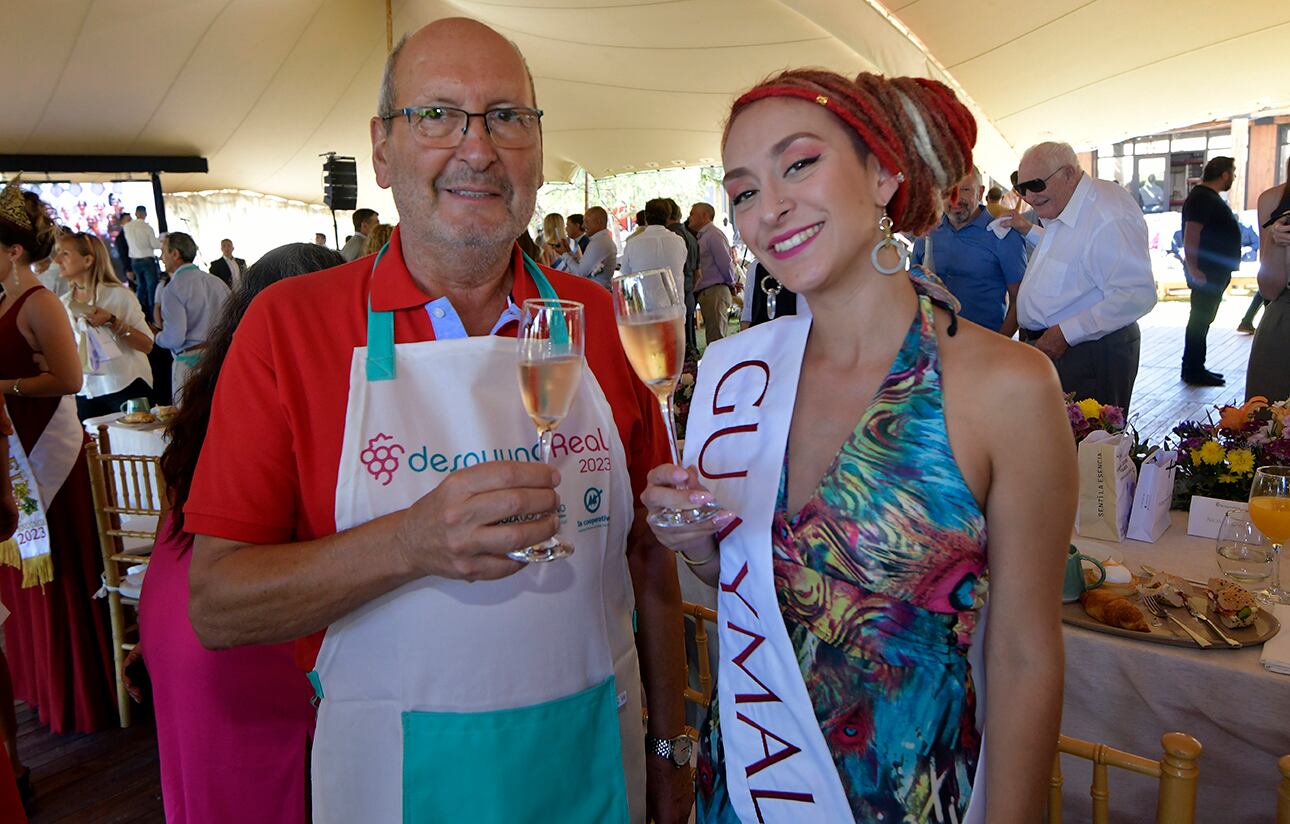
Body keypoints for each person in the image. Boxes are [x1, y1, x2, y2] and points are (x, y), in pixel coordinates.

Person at [182, 19, 689, 824]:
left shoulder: (599, 315)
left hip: (599, 764)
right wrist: (410, 544)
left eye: (506, 117)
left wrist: (673, 748)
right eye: (437, 115)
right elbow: (215, 604)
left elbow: (650, 562)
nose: (477, 148)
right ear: (381, 150)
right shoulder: (290, 324)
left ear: (536, 148)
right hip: (395, 780)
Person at [646, 69, 1072, 823]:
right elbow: (750, 588)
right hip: (743, 785)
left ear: (884, 173)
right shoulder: (736, 376)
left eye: (799, 163)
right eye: (743, 191)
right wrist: (697, 545)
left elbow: (1025, 655)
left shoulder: (1006, 386)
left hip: (905, 794)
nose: (769, 207)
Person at [135, 243, 343, 824]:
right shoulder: (305, 386)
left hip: (178, 620)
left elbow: (172, 529)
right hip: (246, 631)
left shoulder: (213, 388)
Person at [0, 187, 115, 740]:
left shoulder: (39, 302)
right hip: (13, 448)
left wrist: (5, 385)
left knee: (59, 568)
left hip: (48, 449)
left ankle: (78, 691)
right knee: (22, 573)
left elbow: (68, 380)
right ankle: (41, 683)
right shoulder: (2, 300)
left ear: (14, 250)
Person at [1002, 142, 1156, 411]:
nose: (1028, 196)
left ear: (1069, 174)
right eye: (1020, 186)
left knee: (1086, 449)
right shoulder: (1067, 204)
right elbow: (1072, 254)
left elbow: (1137, 294)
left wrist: (1064, 334)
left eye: (1036, 185)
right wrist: (1027, 229)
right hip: (1058, 349)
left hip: (1087, 353)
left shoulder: (1108, 213)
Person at [913, 168, 1027, 336]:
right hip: (932, 343)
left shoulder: (1003, 234)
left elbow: (1020, 299)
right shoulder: (927, 232)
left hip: (982, 345)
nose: (955, 199)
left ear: (980, 192)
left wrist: (1000, 344)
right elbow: (912, 286)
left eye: (965, 190)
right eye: (948, 192)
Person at [53, 232, 155, 419]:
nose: (57, 260)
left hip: (126, 385)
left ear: (87, 260)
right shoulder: (63, 303)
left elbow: (147, 345)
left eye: (65, 254)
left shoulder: (119, 296)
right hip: (86, 390)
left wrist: (112, 321)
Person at [1179, 156, 1240, 386]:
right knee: (1199, 320)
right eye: (1232, 172)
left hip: (1211, 271)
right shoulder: (1203, 198)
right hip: (1206, 272)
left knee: (1202, 320)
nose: (1233, 177)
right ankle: (1193, 369)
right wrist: (1194, 268)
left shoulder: (1206, 197)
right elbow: (1192, 234)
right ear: (1224, 174)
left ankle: (1196, 366)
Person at [155, 233, 231, 405]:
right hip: (219, 358)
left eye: (163, 251)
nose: (161, 257)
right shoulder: (217, 283)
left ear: (175, 254)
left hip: (190, 364)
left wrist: (157, 336)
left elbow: (175, 338)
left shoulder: (173, 289)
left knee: (188, 422)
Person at [1246, 168, 1290, 402]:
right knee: (1268, 423)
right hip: (1284, 323)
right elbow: (1269, 289)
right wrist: (1276, 241)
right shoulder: (1275, 200)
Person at [620, 199, 687, 298]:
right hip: (675, 306)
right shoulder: (678, 241)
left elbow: (625, 275)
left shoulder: (633, 243)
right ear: (668, 217)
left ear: (646, 217)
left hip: (646, 306)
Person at [690, 202, 735, 344]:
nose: (689, 217)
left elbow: (725, 262)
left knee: (717, 339)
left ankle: (720, 366)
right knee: (714, 337)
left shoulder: (713, 235)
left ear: (705, 216)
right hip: (708, 292)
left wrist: (731, 283)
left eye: (692, 213)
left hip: (715, 290)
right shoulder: (704, 236)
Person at [663, 199, 700, 354]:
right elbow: (698, 272)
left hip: (676, 294)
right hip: (689, 290)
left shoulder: (672, 236)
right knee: (690, 341)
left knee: (678, 347)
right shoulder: (691, 236)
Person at [122, 205, 162, 319]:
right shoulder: (147, 228)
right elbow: (154, 245)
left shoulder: (127, 227)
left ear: (135, 214)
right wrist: (162, 242)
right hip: (147, 260)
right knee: (151, 288)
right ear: (145, 214)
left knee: (140, 287)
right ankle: (153, 315)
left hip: (135, 261)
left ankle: (139, 314)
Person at [568, 205, 617, 288]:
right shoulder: (601, 240)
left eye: (586, 221)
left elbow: (579, 273)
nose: (583, 226)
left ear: (598, 222)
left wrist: (565, 255)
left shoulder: (599, 243)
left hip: (597, 293)